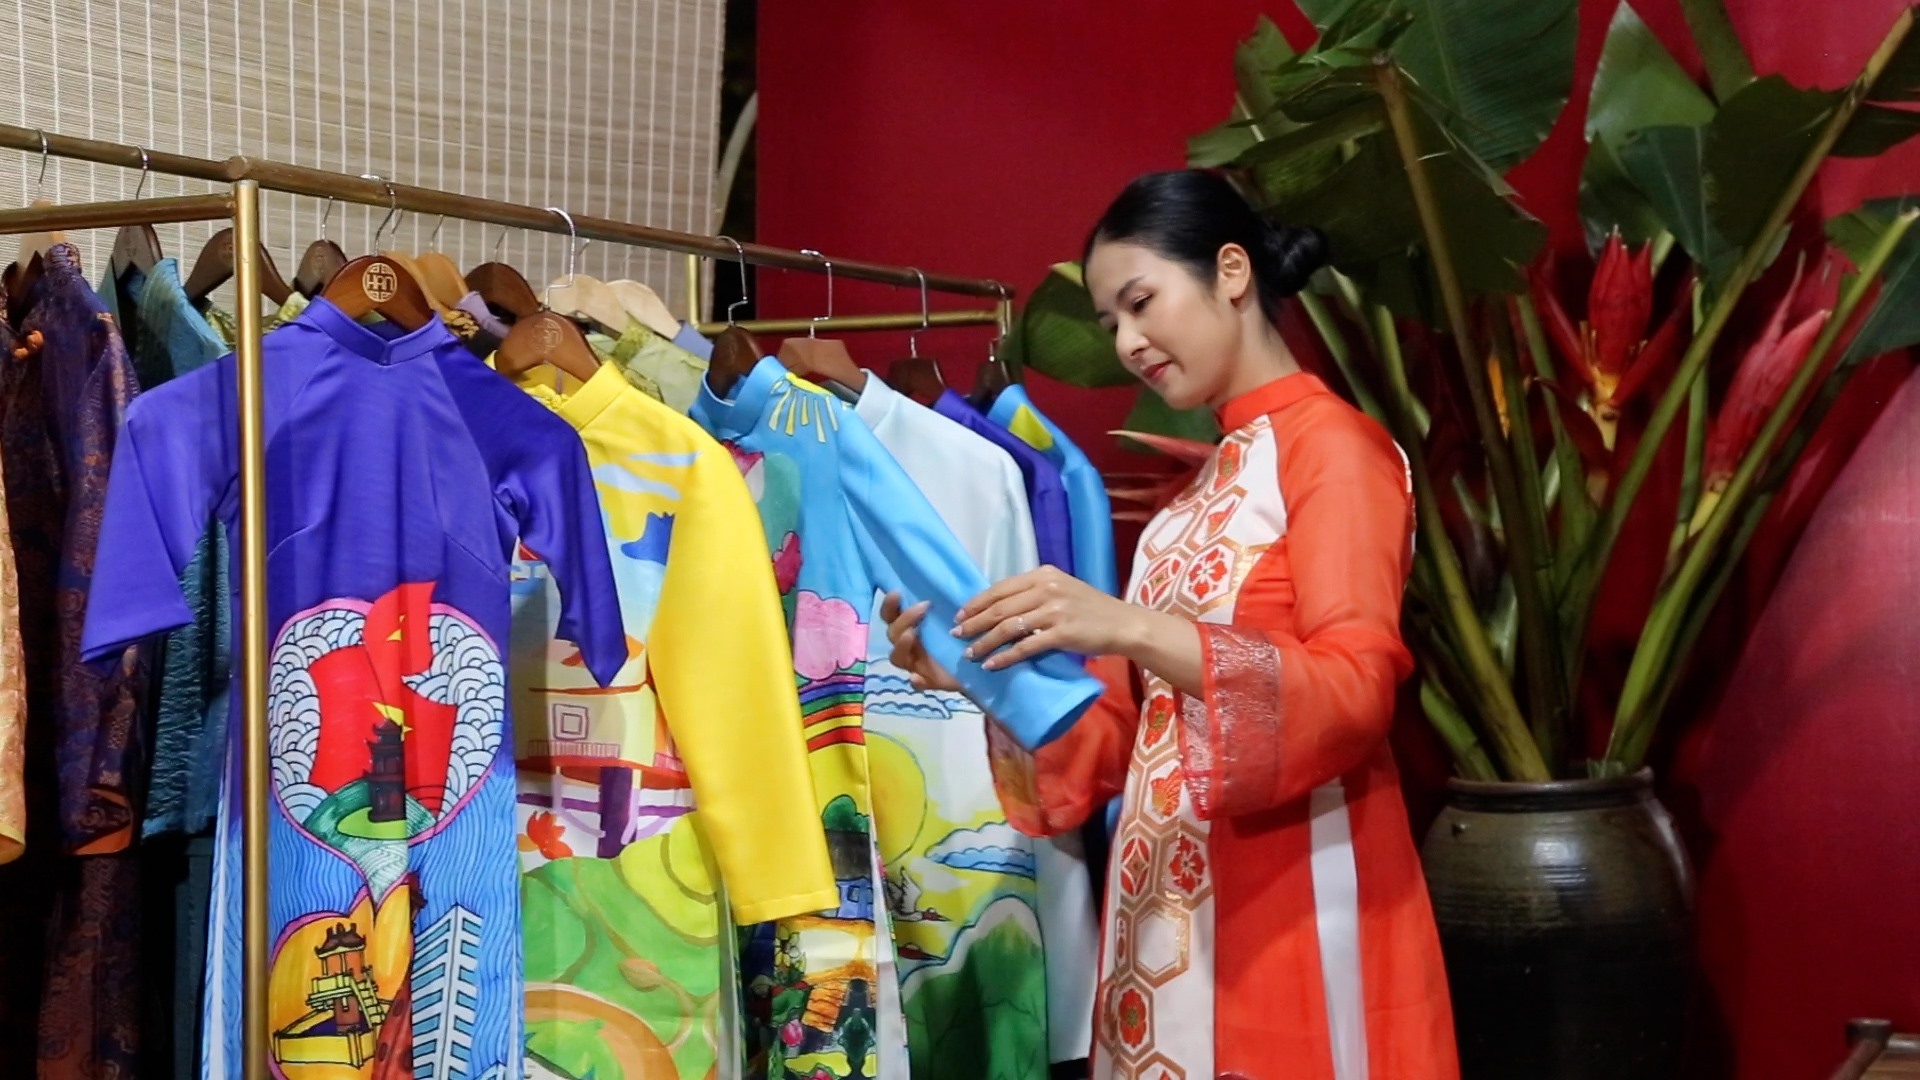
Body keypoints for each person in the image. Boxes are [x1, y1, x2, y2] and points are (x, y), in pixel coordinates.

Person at [882, 169, 1459, 1080]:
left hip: (1289, 900)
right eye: (1111, 321)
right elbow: (1120, 739)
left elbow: (1355, 690)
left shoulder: (1335, 451)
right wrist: (978, 674)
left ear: (1231, 271)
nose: (1128, 342)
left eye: (1141, 302)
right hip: (1159, 914)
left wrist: (1131, 629)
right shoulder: (1190, 503)